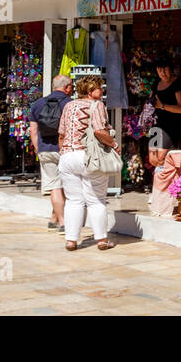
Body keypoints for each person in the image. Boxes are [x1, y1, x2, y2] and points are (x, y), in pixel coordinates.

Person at [57, 75, 119, 252]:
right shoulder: (96, 105)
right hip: (88, 156)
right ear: (91, 91)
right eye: (100, 88)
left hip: (67, 156)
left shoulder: (69, 105)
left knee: (73, 200)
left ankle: (71, 240)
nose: (103, 91)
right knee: (96, 200)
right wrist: (114, 145)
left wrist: (63, 152)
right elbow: (99, 131)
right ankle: (101, 239)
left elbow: (61, 134)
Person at [27, 74, 74, 231]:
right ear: (67, 87)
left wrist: (38, 148)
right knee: (64, 186)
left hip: (45, 150)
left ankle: (54, 217)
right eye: (71, 86)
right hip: (64, 150)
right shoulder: (69, 104)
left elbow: (33, 130)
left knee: (55, 186)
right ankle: (63, 222)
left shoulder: (38, 103)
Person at [151, 58, 181, 149]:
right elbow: (150, 100)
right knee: (153, 158)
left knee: (162, 156)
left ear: (170, 69)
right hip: (156, 125)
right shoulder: (156, 83)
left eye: (165, 69)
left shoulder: (178, 84)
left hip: (171, 126)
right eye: (160, 70)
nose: (163, 72)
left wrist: (162, 106)